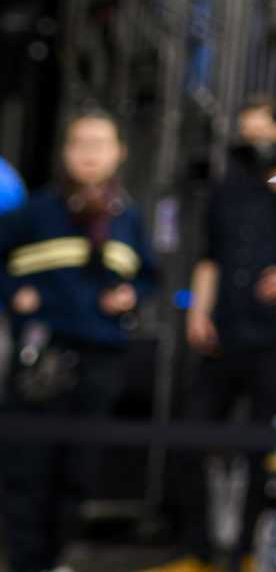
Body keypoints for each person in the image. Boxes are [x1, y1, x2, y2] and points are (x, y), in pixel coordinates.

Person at [146, 101, 276, 572]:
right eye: (247, 134)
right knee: (191, 436)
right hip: (224, 332)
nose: (255, 143)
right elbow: (210, 255)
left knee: (263, 450)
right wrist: (199, 310)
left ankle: (247, 552)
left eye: (263, 133)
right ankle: (197, 549)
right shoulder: (226, 189)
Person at [0, 111, 157, 572]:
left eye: (99, 143)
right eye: (80, 143)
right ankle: (26, 562)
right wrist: (15, 293)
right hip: (42, 354)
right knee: (28, 467)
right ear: (65, 151)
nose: (90, 154)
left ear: (119, 152)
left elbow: (149, 275)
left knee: (80, 468)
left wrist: (131, 295)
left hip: (102, 357)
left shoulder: (127, 217)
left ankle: (58, 560)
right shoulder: (35, 211)